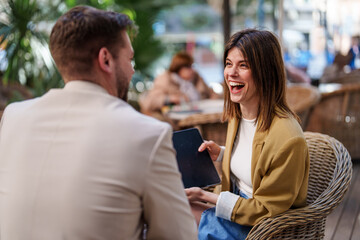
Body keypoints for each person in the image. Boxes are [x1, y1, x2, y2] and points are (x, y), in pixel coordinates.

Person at [0, 6, 197, 240]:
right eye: (130, 59)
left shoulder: (14, 116)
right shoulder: (147, 134)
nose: (132, 70)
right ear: (105, 59)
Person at [185, 29, 310, 239]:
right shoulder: (239, 114)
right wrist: (223, 153)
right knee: (170, 206)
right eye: (228, 63)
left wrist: (205, 196)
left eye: (243, 65)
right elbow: (257, 162)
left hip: (259, 228)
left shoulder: (288, 138)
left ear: (266, 71)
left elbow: (265, 208)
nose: (231, 73)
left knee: (175, 218)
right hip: (236, 204)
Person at [139, 52, 220, 118]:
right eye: (187, 67)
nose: (191, 70)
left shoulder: (196, 77)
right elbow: (149, 102)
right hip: (176, 122)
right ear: (178, 68)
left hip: (201, 117)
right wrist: (170, 98)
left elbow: (211, 93)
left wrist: (213, 100)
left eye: (192, 66)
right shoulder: (166, 79)